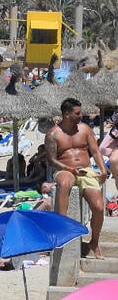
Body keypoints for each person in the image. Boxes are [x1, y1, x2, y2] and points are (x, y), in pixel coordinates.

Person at [46, 97, 109, 258]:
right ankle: (62, 229)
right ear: (67, 114)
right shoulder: (53, 133)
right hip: (65, 168)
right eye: (77, 113)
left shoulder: (85, 129)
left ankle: (94, 242)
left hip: (86, 170)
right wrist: (69, 168)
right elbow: (52, 160)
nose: (81, 115)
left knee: (99, 207)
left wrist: (102, 170)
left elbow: (95, 151)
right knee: (65, 183)